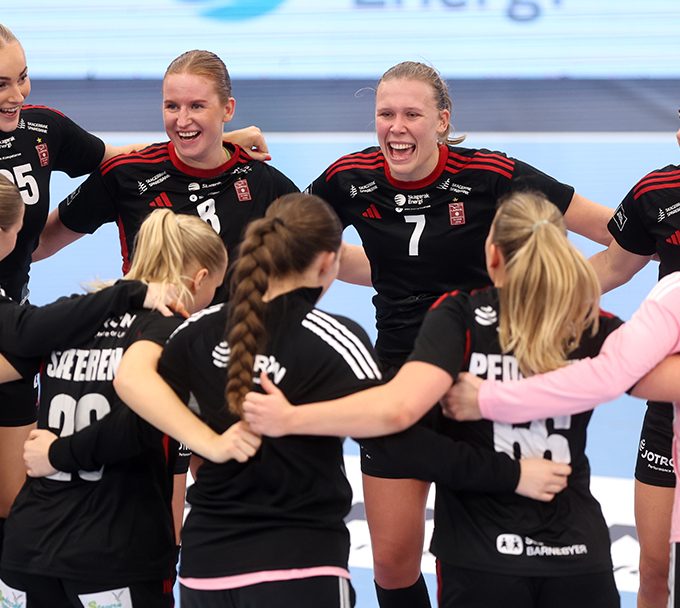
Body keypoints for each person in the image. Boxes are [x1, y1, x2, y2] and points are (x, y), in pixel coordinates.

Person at [112, 193, 562, 608]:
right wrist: (511, 473)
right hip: (301, 569)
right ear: (328, 263)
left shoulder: (196, 332)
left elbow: (135, 391)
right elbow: (401, 444)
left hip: (206, 571)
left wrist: (208, 443)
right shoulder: (334, 339)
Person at [305, 60, 614, 607]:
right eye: (385, 114)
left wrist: (557, 299)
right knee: (392, 566)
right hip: (400, 374)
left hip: (479, 379)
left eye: (412, 114)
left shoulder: (490, 174)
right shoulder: (347, 178)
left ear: (443, 120)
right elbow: (291, 244)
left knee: (486, 552)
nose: (396, 127)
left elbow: (620, 233)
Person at [242, 191, 620, 608]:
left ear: (492, 255)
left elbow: (397, 412)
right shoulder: (596, 324)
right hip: (577, 554)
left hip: (482, 555)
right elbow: (656, 378)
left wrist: (290, 418)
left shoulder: (461, 315)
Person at [0, 25, 268, 545]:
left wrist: (215, 141)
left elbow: (115, 158)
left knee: (13, 501)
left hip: (16, 322)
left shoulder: (42, 130)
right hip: (42, 334)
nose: (17, 94)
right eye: (1, 84)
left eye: (23, 78)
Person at [0, 208, 255, 608]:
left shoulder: (71, 316)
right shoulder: (173, 333)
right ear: (200, 278)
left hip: (28, 548)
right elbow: (136, 425)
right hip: (114, 549)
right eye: (216, 288)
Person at [442, 272, 680, 607]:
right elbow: (613, 374)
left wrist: (489, 398)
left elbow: (612, 375)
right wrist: (491, 399)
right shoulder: (674, 294)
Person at [31, 48, 301, 278]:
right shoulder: (125, 175)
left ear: (227, 109)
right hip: (151, 324)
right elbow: (41, 242)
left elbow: (315, 255)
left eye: (197, 106)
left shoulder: (261, 180)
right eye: (172, 106)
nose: (182, 121)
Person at [581, 123, 680, 608]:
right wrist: (534, 297)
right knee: (655, 569)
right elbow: (613, 267)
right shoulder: (657, 192)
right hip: (669, 402)